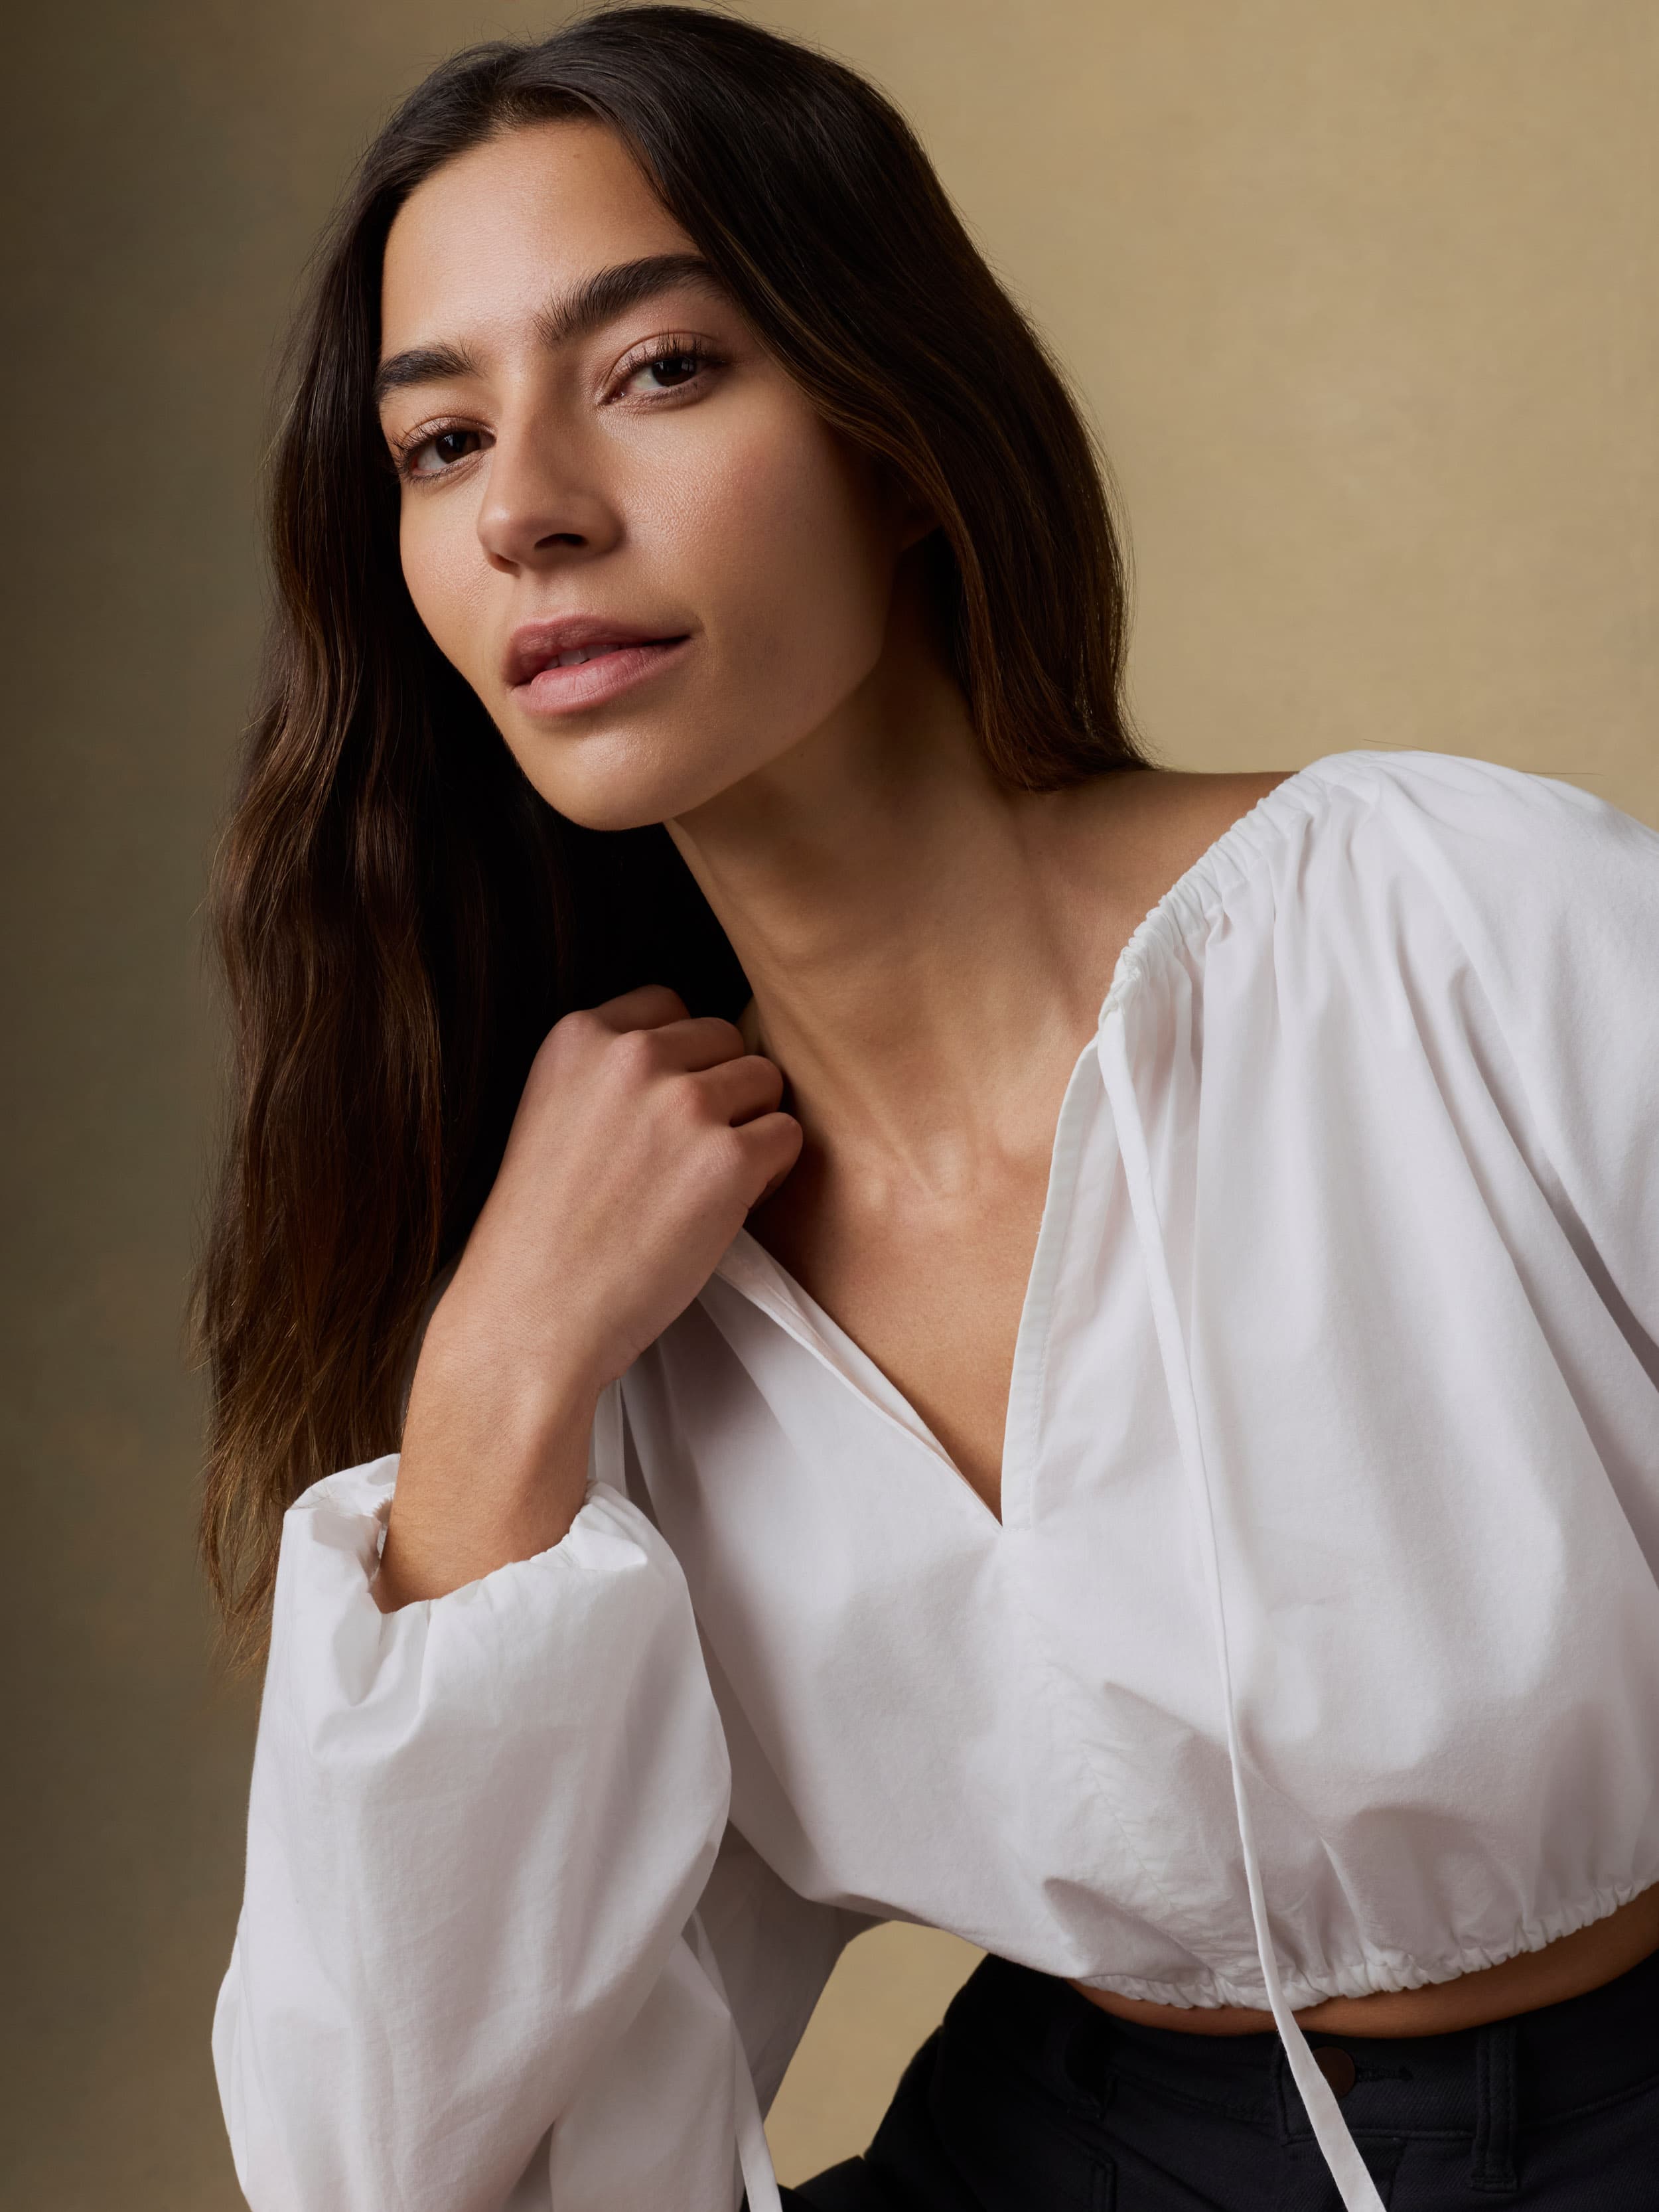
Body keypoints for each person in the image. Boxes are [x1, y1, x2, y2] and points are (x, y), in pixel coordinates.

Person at [196, 10, 1659, 2210]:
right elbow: (403, 2161)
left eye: (658, 369)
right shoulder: (607, 1275)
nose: (528, 512)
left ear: (890, 431)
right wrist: (496, 1380)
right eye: (434, 444)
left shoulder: (1451, 927)